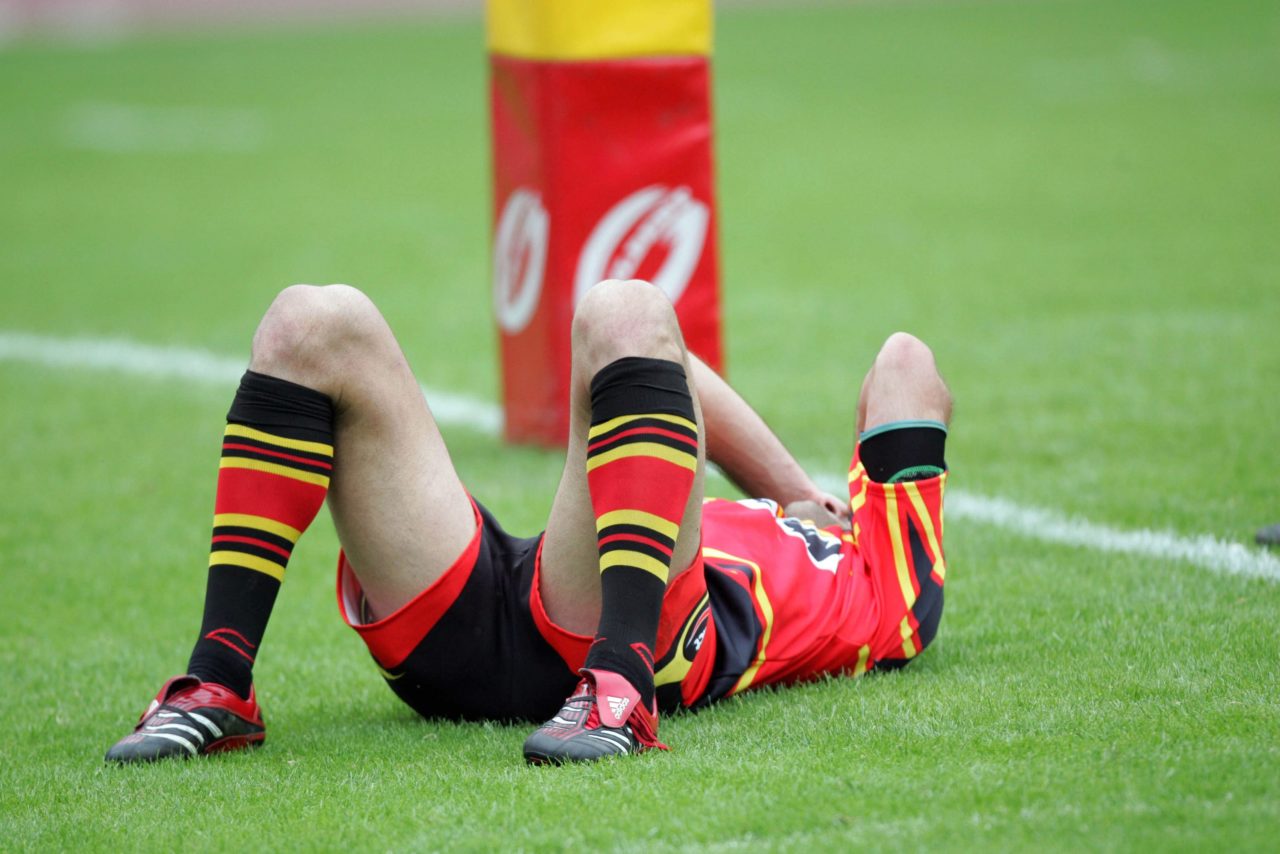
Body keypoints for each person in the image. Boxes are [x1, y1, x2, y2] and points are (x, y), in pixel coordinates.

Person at [105, 279, 952, 765]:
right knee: (311, 321)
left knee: (627, 306)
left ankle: (620, 694)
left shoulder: (898, 598)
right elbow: (668, 369)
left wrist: (838, 500)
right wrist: (795, 488)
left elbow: (906, 363)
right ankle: (219, 682)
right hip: (497, 612)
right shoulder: (811, 520)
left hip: (625, 636)